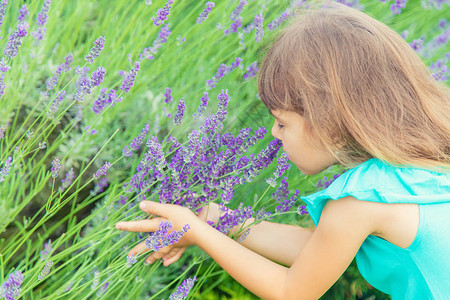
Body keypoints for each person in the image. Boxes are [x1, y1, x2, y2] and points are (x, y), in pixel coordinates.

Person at [115, 1, 450, 299]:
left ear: (328, 120)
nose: (274, 134)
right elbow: (317, 250)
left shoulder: (360, 199)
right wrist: (215, 218)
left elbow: (292, 291)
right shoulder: (421, 164)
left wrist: (197, 231)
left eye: (281, 122)